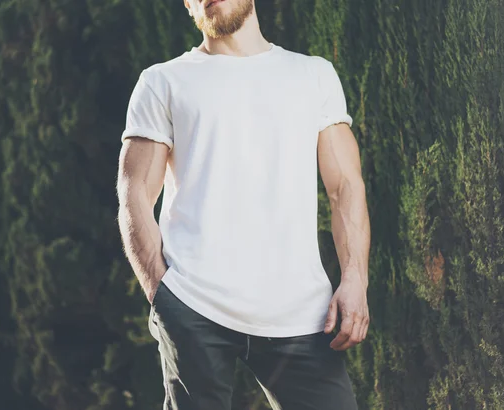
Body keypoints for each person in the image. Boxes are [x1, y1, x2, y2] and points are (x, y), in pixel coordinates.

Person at [116, 0, 371, 408]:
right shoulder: (163, 82)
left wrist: (355, 279)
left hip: (302, 315)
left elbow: (345, 187)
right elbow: (134, 197)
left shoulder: (313, 75)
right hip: (194, 307)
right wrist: (162, 296)